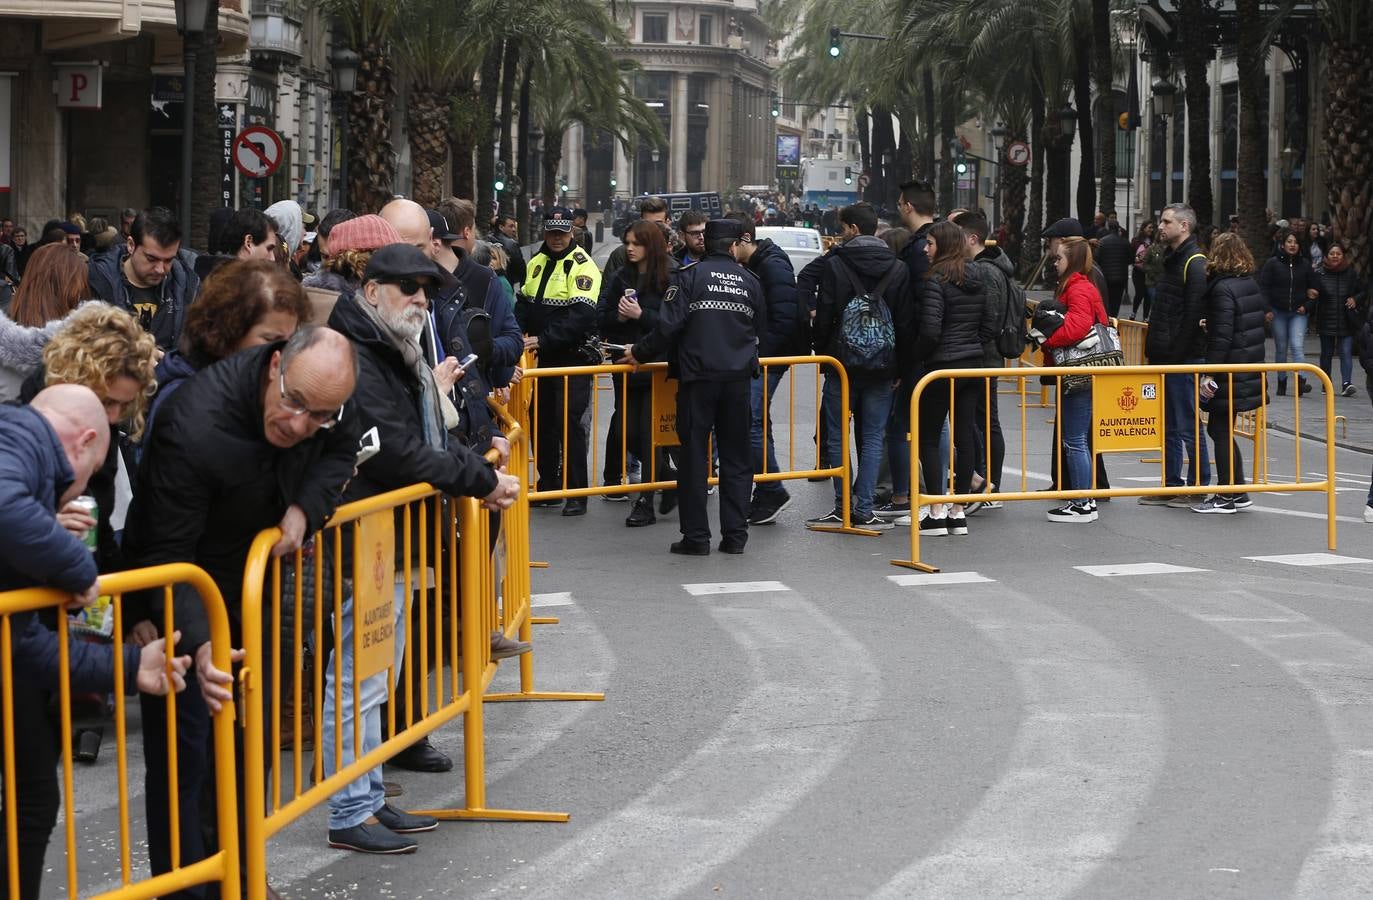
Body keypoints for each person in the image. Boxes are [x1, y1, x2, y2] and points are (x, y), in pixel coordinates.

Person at [122, 326, 360, 895]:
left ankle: (245, 877)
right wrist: (202, 642)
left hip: (258, 590)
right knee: (189, 759)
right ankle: (190, 889)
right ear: (275, 365)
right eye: (293, 403)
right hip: (185, 594)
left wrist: (305, 509)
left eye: (319, 415)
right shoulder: (194, 422)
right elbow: (168, 554)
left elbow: (344, 448)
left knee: (252, 746)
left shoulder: (331, 394)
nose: (300, 424)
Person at [327, 244, 520, 853]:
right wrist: (481, 480)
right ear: (373, 288)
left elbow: (422, 432)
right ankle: (350, 810)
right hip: (364, 537)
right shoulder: (357, 350)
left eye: (425, 290)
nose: (418, 298)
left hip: (392, 537)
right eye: (406, 286)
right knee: (357, 680)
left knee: (377, 676)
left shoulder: (390, 345)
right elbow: (393, 449)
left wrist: (472, 465)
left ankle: (369, 797)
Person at [0, 384, 189, 900]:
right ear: (84, 442)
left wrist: (130, 667)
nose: (77, 491)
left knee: (34, 798)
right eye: (89, 473)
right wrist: (75, 563)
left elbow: (23, 648)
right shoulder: (17, 437)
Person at [620, 219, 763, 555]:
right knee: (736, 460)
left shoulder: (689, 277)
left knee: (695, 458)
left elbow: (668, 327)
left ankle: (697, 538)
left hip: (698, 380)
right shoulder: (750, 281)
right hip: (738, 381)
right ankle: (735, 537)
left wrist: (638, 352)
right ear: (732, 247)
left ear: (705, 243)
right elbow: (761, 327)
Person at [806, 203, 913, 531]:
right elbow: (906, 323)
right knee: (872, 435)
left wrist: (823, 354)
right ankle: (865, 507)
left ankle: (843, 506)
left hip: (841, 363)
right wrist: (900, 368)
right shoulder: (898, 268)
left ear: (851, 228)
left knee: (838, 436)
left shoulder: (836, 264)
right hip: (883, 365)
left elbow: (824, 313)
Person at [147, 259, 312, 435]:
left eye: (291, 340)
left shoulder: (249, 383)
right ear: (229, 330)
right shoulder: (184, 401)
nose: (283, 351)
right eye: (271, 339)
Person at [517, 206, 601, 516]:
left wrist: (542, 338)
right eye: (551, 232)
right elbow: (524, 304)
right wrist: (513, 333)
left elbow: (580, 316)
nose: (556, 237)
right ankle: (549, 484)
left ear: (571, 233)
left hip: (573, 357)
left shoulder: (583, 265)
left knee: (569, 422)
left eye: (562, 232)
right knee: (542, 420)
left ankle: (577, 492)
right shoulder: (536, 263)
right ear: (545, 232)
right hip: (546, 359)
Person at [911, 221, 992, 537]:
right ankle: (958, 511)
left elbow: (930, 330)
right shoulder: (977, 276)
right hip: (971, 365)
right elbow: (989, 324)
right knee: (964, 436)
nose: (925, 248)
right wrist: (972, 345)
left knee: (929, 437)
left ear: (942, 246)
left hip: (942, 367)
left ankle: (935, 510)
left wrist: (920, 356)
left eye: (930, 243)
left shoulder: (936, 280)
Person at [597, 221, 676, 526]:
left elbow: (673, 322)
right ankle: (670, 479)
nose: (629, 248)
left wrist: (642, 315)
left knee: (649, 433)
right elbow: (601, 316)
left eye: (636, 243)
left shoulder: (671, 276)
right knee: (627, 432)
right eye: (627, 242)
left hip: (657, 367)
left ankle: (646, 500)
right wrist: (618, 316)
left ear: (651, 246)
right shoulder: (621, 276)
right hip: (627, 366)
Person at [730, 217, 806, 525]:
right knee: (758, 421)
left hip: (768, 357)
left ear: (746, 239)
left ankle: (771, 488)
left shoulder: (771, 264)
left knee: (750, 420)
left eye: (732, 244)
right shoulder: (758, 263)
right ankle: (765, 490)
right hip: (762, 355)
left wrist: (759, 353)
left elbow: (784, 317)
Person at [1141, 203, 1212, 504]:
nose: (1160, 226)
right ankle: (1172, 484)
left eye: (1166, 221)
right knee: (1170, 423)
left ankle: (1197, 485)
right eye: (1161, 220)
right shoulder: (1173, 259)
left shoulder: (1194, 262)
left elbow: (1192, 317)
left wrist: (1173, 354)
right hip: (1168, 356)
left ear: (1184, 226)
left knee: (1186, 422)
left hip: (1182, 359)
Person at [1192, 232, 1265, 514]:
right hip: (1246, 367)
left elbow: (1223, 335)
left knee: (1219, 429)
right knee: (1222, 429)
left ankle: (1225, 495)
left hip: (1229, 370)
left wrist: (1210, 372)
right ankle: (1238, 489)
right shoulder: (1248, 283)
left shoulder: (1222, 289)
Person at [1040, 237, 1108, 523]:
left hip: (1078, 371)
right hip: (1080, 371)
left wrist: (1046, 339)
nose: (1055, 262)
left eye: (1060, 258)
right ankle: (1084, 499)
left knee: (1075, 439)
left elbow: (1078, 327)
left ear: (1073, 261)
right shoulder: (1078, 286)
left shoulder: (1079, 288)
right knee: (1076, 438)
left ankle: (1082, 502)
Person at [952, 210, 1012, 508]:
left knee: (986, 422)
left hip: (984, 357)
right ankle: (987, 482)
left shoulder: (986, 271)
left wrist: (972, 342)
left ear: (971, 238)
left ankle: (990, 484)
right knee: (982, 421)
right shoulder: (983, 267)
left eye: (955, 233)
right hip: (981, 355)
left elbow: (990, 318)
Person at [87, 207, 200, 351]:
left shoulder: (189, 288)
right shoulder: (97, 280)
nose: (160, 269)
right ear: (131, 245)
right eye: (151, 259)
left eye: (168, 260)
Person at [1258, 227, 1319, 396]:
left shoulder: (1305, 264)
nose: (1292, 245)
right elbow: (1263, 287)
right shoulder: (1272, 263)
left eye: (1295, 242)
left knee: (1297, 346)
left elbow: (1315, 288)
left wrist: (1306, 306)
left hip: (1298, 312)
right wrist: (1267, 309)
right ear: (1283, 244)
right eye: (1289, 242)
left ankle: (1301, 381)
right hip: (1278, 312)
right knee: (1281, 347)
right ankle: (1282, 382)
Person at [1313, 240, 1364, 397]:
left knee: (1346, 352)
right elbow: (1313, 294)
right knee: (1326, 353)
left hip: (1345, 319)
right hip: (1325, 318)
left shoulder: (1351, 272)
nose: (1335, 256)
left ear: (1343, 256)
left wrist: (1355, 299)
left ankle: (1346, 383)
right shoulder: (1319, 273)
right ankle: (1325, 383)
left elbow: (1363, 291)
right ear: (1327, 256)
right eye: (1332, 253)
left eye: (1338, 254)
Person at [604, 197, 670, 280]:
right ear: (640, 221)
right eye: (647, 223)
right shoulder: (621, 254)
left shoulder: (678, 251)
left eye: (658, 224)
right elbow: (607, 288)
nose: (652, 228)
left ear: (667, 223)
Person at [1096, 222, 1133, 318]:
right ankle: (1113, 318)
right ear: (1118, 229)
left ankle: (1106, 318)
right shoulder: (1124, 242)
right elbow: (1131, 259)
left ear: (1108, 228)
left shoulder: (1103, 242)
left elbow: (1097, 258)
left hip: (1106, 276)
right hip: (1121, 277)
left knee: (1106, 299)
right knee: (1116, 301)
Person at [488, 214, 527, 289]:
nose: (514, 230)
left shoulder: (485, 240)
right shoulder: (511, 244)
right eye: (511, 226)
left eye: (514, 227)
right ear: (501, 227)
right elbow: (522, 271)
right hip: (505, 286)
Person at [1130, 222, 1155, 319]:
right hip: (1138, 272)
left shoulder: (1154, 241)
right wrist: (1135, 260)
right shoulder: (1136, 241)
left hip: (1149, 273)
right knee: (1139, 293)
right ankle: (1133, 313)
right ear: (1143, 228)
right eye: (1149, 227)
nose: (1151, 230)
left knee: (1148, 295)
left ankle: (1145, 317)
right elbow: (1131, 254)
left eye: (1152, 228)